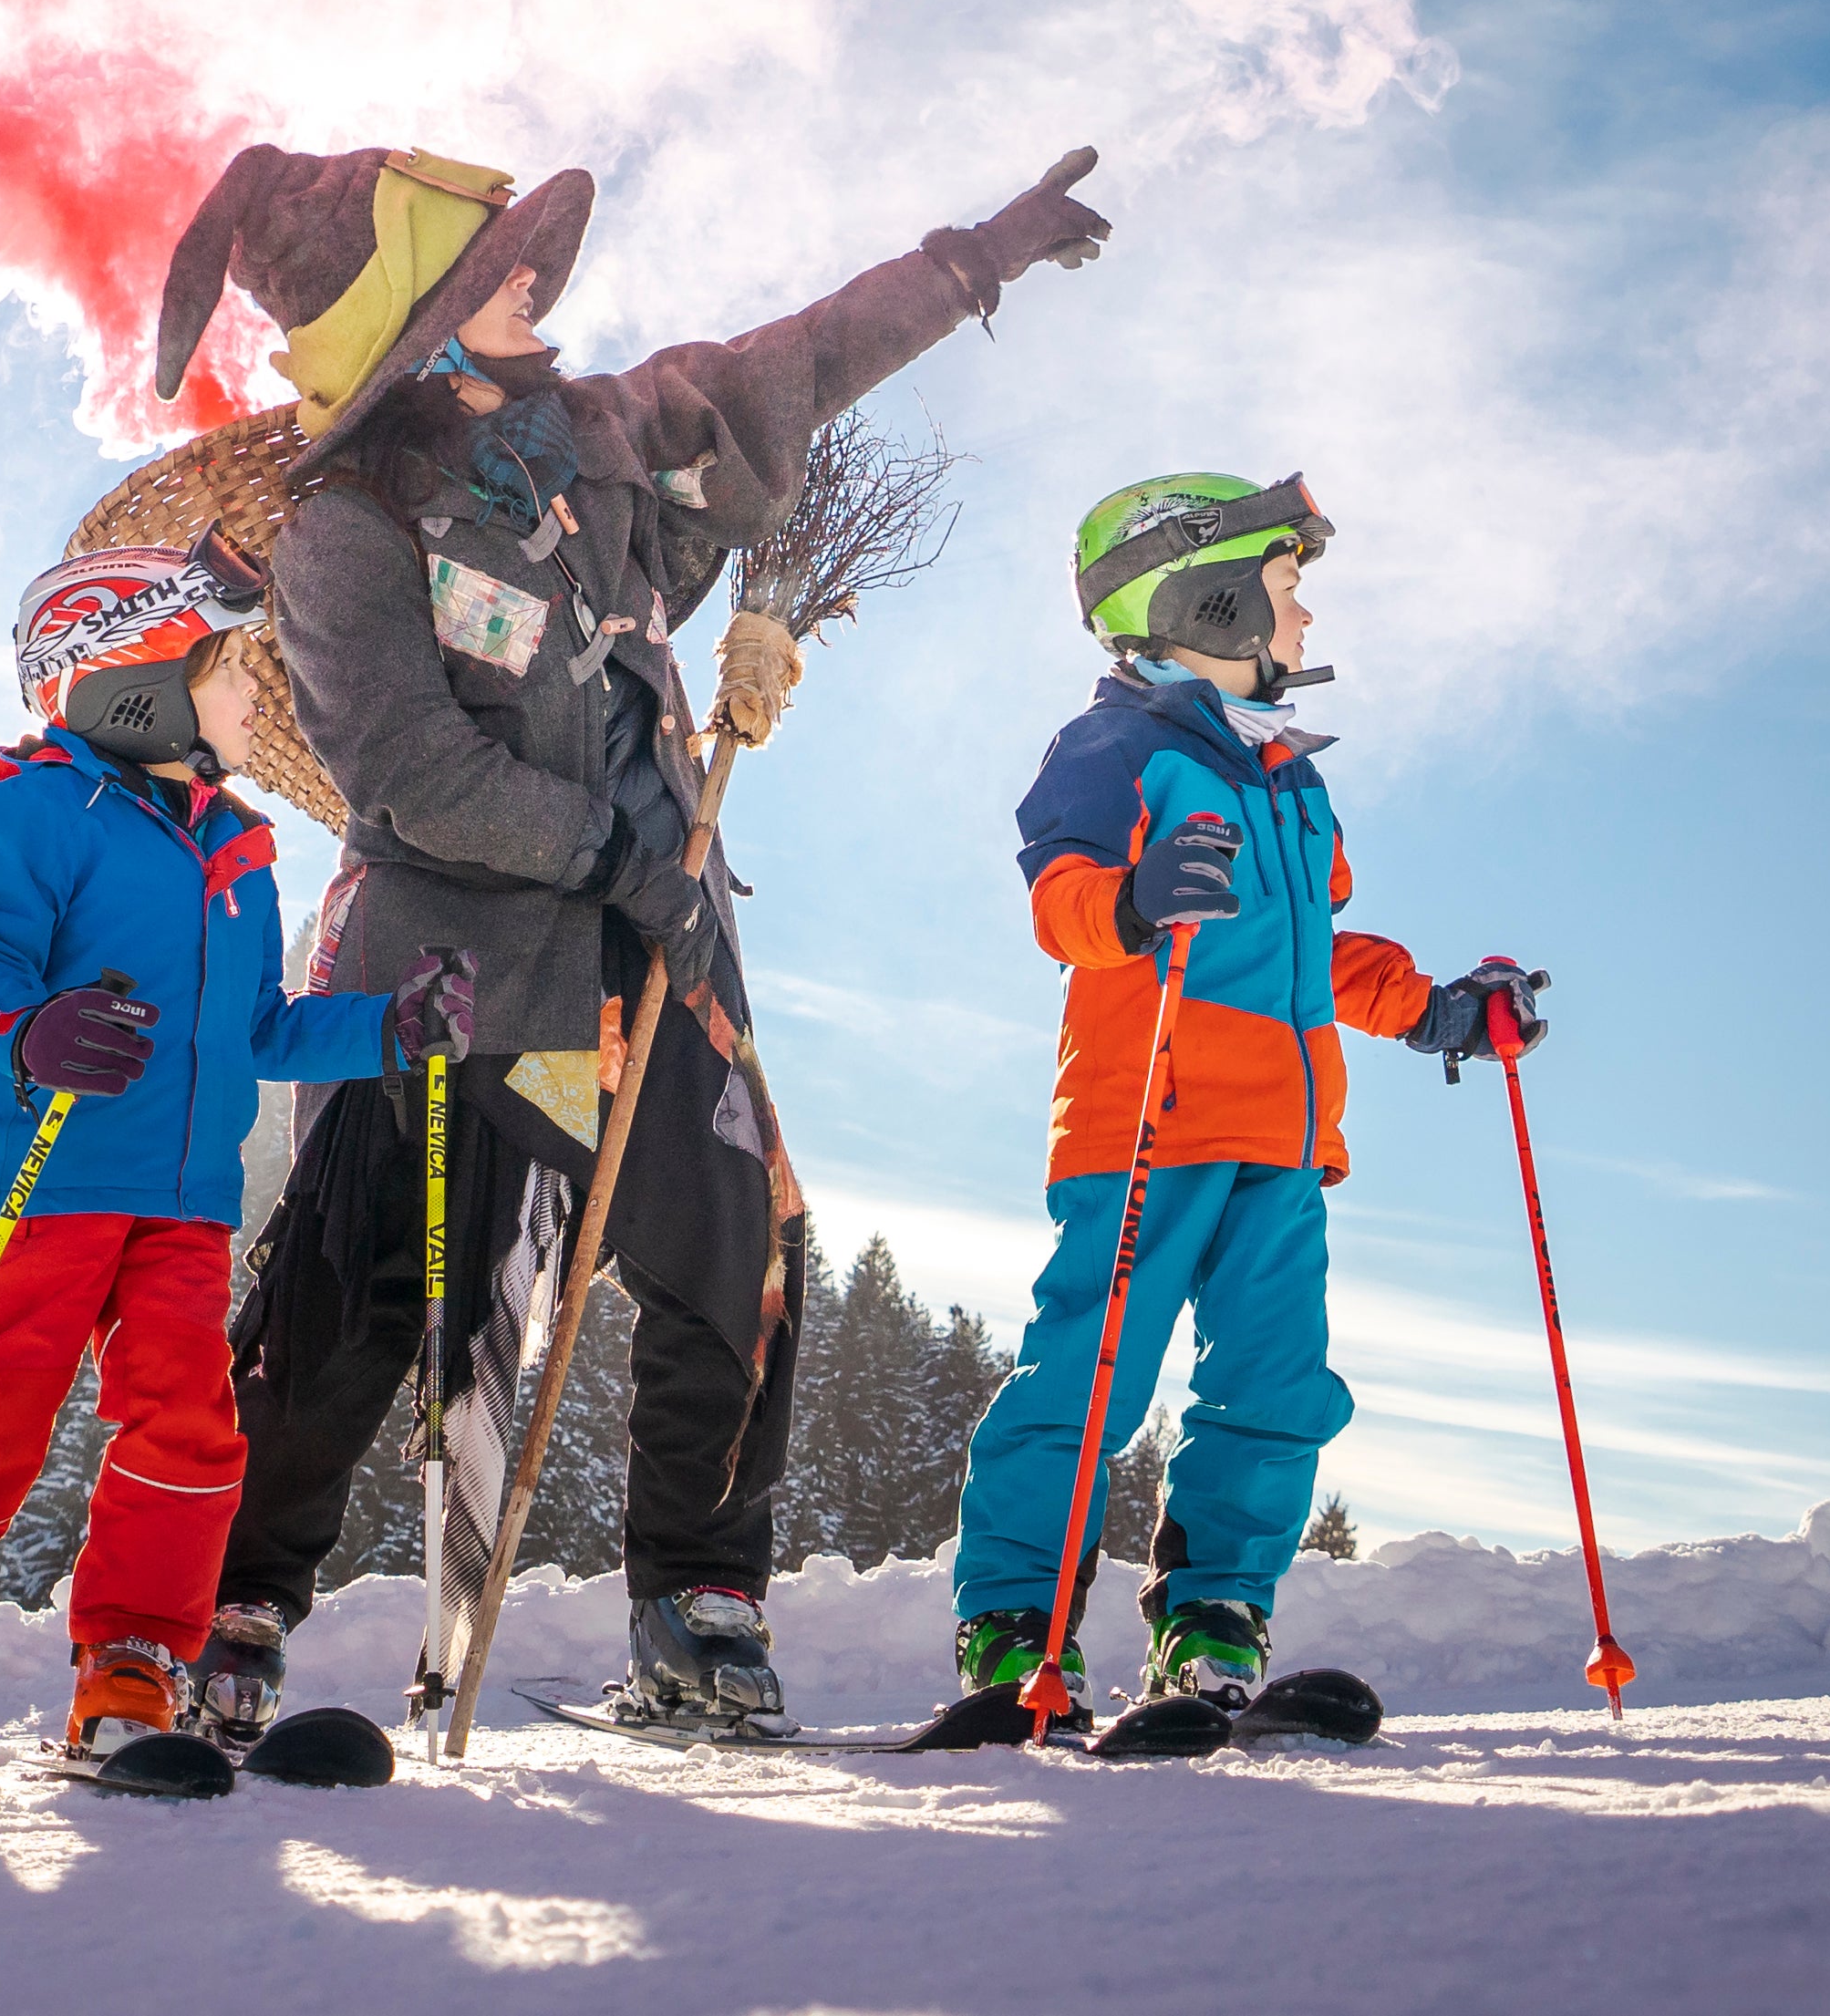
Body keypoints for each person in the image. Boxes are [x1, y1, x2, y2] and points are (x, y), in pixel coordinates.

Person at [149, 139, 1117, 1737]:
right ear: (427, 326)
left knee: (739, 1249)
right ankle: (234, 1602)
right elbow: (406, 768)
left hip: (659, 959)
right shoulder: (343, 529)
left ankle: (696, 1601)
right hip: (449, 969)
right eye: (494, 269)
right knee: (372, 1292)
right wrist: (610, 848)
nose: (539, 276)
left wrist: (971, 260)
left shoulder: (603, 434)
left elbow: (796, 362)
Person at [0, 542, 478, 1805]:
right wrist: (32, 1027)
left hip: (186, 1206)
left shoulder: (238, 851)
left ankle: (132, 1666)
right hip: (50, 1181)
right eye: (228, 674)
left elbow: (264, 1027)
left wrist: (390, 1023)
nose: (249, 701)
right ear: (136, 682)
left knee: (190, 1429)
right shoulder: (34, 811)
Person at [946, 473, 1553, 1725]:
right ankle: (1015, 1632)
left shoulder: (1291, 780)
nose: (1305, 619)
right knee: (1091, 1374)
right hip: (1147, 1125)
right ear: (1206, 597)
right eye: (1286, 589)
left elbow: (1306, 958)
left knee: (1276, 1386)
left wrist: (1439, 1007)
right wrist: (1132, 894)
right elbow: (1064, 905)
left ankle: (1213, 1618)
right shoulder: (1113, 749)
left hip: (1281, 1144)